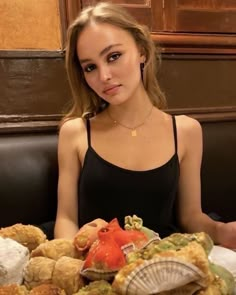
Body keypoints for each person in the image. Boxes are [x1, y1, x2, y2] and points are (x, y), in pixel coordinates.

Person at [54, 2, 236, 248]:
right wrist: (72, 261)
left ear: (142, 51)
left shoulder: (186, 131)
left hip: (162, 265)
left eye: (114, 56)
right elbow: (66, 219)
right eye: (90, 67)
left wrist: (220, 231)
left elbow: (190, 216)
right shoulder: (75, 133)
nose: (104, 76)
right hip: (98, 269)